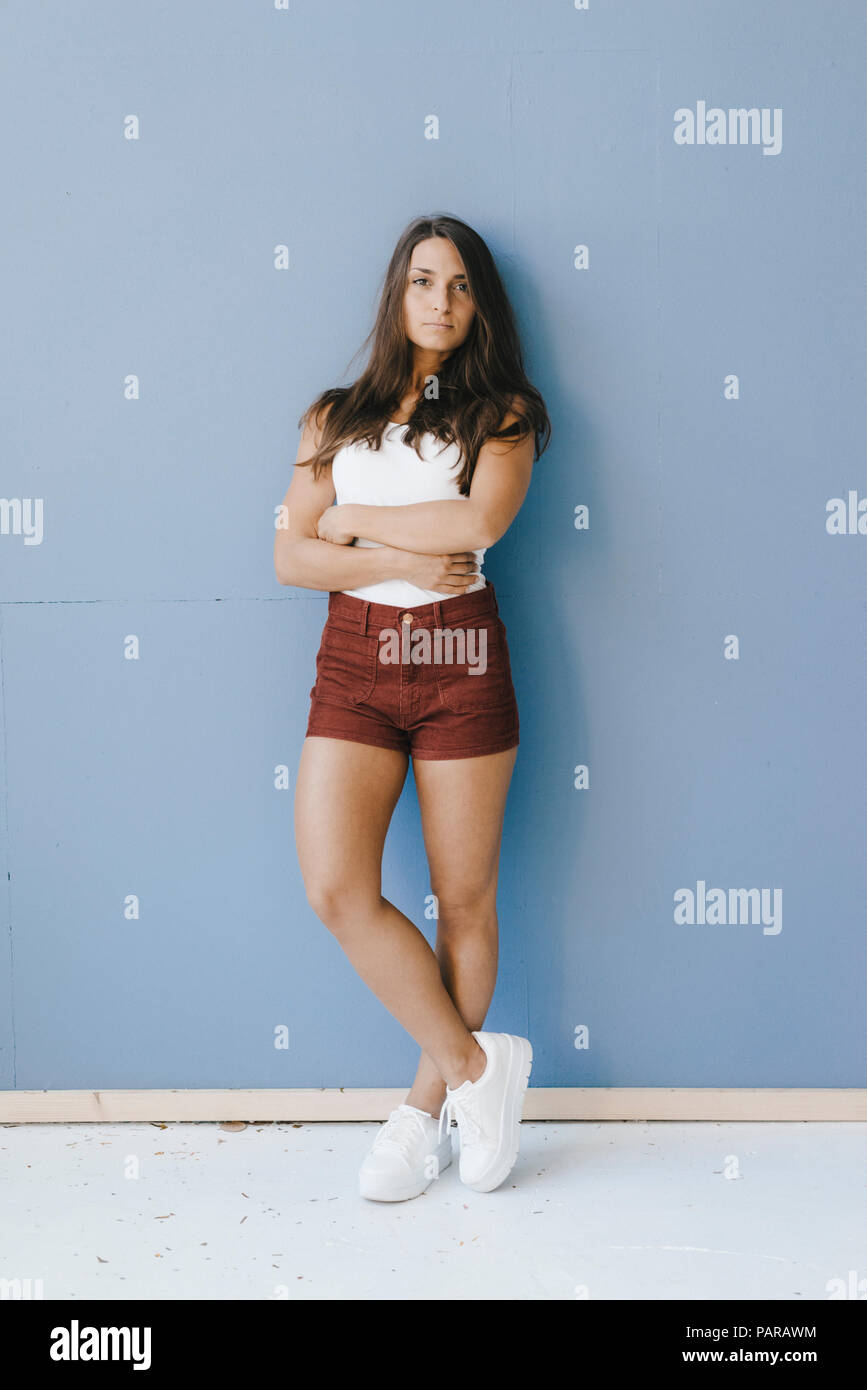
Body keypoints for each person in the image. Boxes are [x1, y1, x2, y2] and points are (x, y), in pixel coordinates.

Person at [274, 213, 551, 1200]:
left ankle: (423, 1109)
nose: (442, 300)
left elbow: (475, 524)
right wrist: (384, 552)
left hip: (461, 657)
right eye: (426, 280)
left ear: (481, 306)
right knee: (335, 887)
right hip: (355, 657)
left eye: (463, 285)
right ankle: (482, 1068)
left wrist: (348, 519)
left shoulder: (503, 413)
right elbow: (292, 554)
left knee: (464, 900)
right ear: (397, 291)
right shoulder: (333, 414)